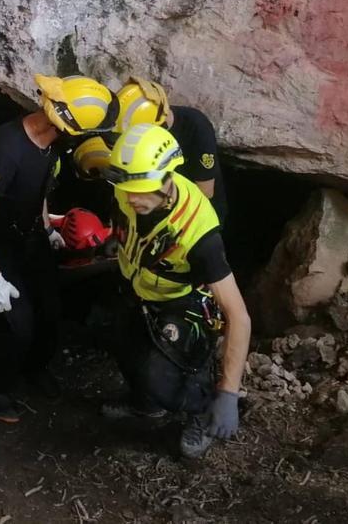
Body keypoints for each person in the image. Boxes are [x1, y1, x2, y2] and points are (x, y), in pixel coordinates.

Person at [0, 74, 117, 422]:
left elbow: (40, 188)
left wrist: (46, 228)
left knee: (50, 310)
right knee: (17, 323)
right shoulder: (5, 148)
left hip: (31, 237)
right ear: (73, 129)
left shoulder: (50, 144)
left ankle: (34, 368)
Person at [100, 123, 251, 459]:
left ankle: (199, 410)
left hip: (180, 301)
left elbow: (238, 315)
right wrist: (118, 239)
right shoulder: (127, 188)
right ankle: (144, 404)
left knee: (163, 374)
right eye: (127, 188)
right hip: (137, 286)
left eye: (143, 190)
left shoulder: (198, 233)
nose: (132, 197)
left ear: (168, 178)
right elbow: (124, 213)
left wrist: (228, 392)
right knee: (121, 340)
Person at [113, 77, 228, 223]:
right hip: (155, 203)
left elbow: (205, 192)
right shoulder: (147, 123)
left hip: (198, 216)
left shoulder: (196, 128)